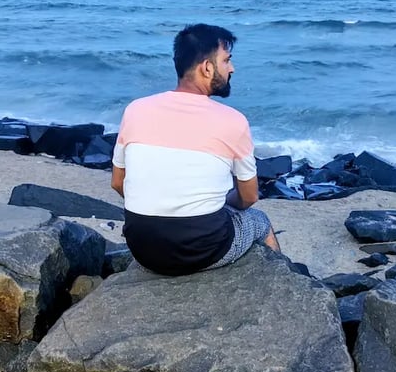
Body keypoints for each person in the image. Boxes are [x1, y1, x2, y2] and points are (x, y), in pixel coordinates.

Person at [111, 23, 280, 276]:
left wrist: (157, 207)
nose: (232, 68)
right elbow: (249, 197)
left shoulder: (136, 109)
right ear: (207, 67)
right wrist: (222, 204)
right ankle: (283, 283)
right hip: (204, 249)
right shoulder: (233, 121)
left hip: (142, 247)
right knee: (260, 221)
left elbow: (117, 183)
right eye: (226, 60)